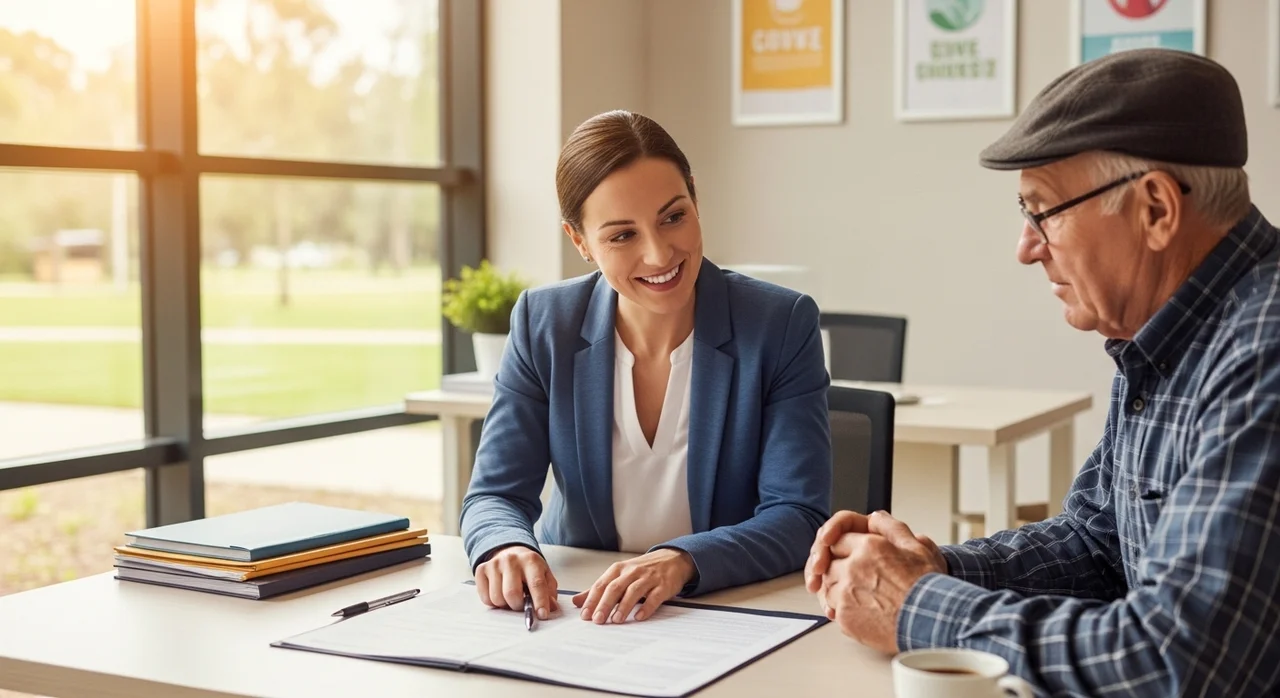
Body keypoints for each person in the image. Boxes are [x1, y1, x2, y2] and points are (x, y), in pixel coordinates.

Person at [806, 48, 1280, 696]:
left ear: (1157, 211)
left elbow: (1178, 661)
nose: (1027, 247)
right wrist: (936, 567)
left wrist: (915, 607)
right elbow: (1098, 546)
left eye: (1044, 211)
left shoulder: (1264, 346)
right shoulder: (1173, 330)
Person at [461, 109, 831, 626]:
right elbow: (495, 494)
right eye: (621, 236)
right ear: (580, 242)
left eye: (673, 216)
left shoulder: (779, 323)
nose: (659, 254)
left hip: (723, 610)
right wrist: (503, 547)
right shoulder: (544, 323)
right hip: (576, 610)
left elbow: (799, 514)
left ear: (696, 200)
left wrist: (681, 560)